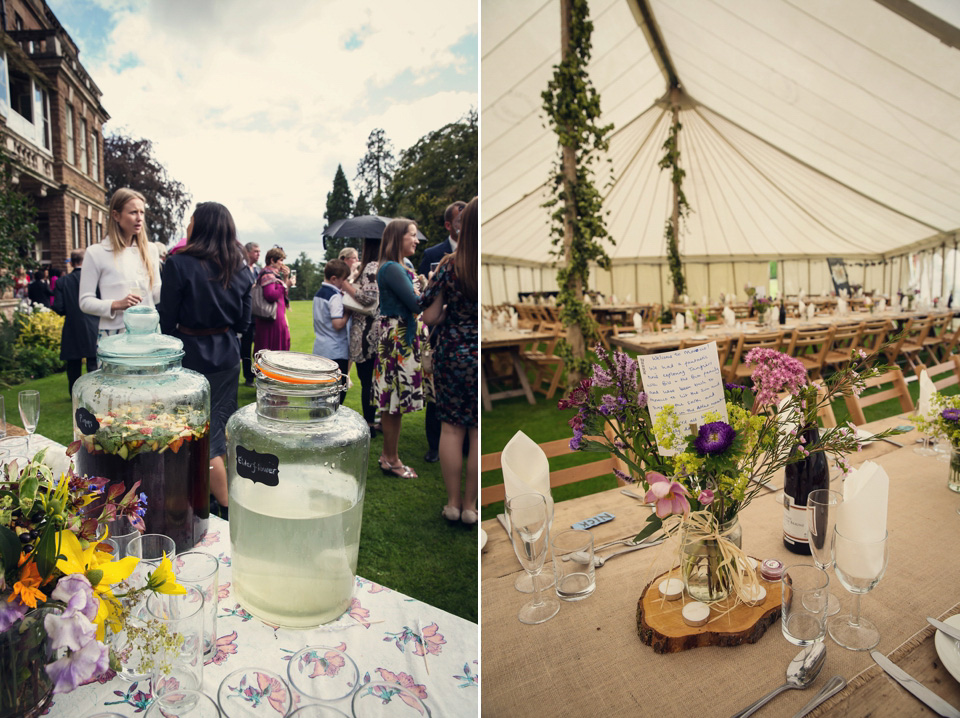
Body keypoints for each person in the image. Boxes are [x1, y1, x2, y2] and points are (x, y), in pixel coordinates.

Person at [159, 202, 252, 514]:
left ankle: (225, 505)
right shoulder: (239, 267)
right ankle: (211, 493)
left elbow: (167, 319)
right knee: (218, 428)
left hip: (190, 356)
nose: (187, 225)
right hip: (226, 355)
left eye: (191, 220)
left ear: (200, 226)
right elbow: (243, 323)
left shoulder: (178, 263)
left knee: (196, 431)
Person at [420, 197, 479, 524]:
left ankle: (453, 503)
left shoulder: (447, 265)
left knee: (452, 429)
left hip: (452, 350)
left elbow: (428, 315)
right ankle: (471, 507)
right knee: (476, 431)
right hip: (477, 352)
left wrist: (445, 314)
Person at [375, 219, 425, 479]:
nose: (416, 240)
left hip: (399, 337)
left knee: (393, 402)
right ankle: (391, 459)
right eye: (412, 235)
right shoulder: (393, 268)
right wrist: (436, 284)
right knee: (393, 403)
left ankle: (389, 455)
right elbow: (417, 304)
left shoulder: (399, 266)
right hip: (398, 340)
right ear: (398, 238)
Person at [79, 188, 161, 339]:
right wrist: (116, 304)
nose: (139, 218)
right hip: (114, 333)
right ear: (116, 215)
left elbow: (155, 294)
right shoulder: (96, 252)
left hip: (149, 332)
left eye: (142, 212)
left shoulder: (151, 250)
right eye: (133, 212)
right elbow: (85, 302)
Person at [418, 200, 465, 463]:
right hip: (440, 334)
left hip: (463, 335)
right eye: (459, 221)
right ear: (449, 225)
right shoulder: (435, 254)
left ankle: (466, 447)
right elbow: (427, 298)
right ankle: (434, 445)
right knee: (436, 395)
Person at [52, 249, 99, 398]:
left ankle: (75, 394)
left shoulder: (62, 281)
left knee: (73, 364)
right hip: (93, 324)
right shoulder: (95, 280)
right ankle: (94, 393)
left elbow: (58, 307)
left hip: (72, 325)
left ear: (71, 263)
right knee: (93, 361)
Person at [348, 237, 381, 436]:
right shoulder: (383, 266)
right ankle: (377, 421)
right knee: (372, 380)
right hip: (374, 331)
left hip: (366, 332)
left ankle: (369, 424)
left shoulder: (371, 267)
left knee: (368, 381)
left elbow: (369, 300)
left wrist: (347, 286)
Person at [313, 259, 351, 403]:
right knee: (336, 393)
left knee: (320, 391)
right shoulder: (334, 296)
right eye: (344, 279)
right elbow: (337, 324)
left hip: (320, 347)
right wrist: (348, 313)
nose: (346, 283)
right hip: (336, 350)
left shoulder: (319, 293)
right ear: (334, 279)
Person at [254, 246, 294, 353]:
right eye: (281, 260)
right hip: (271, 320)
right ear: (272, 260)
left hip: (275, 318)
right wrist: (286, 284)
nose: (282, 263)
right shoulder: (268, 274)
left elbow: (282, 296)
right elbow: (271, 295)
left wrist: (285, 278)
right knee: (272, 350)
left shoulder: (274, 275)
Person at [239, 242, 261, 386]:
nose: (258, 254)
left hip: (258, 315)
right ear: (247, 252)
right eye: (255, 251)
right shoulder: (241, 269)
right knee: (246, 348)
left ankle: (259, 374)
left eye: (259, 251)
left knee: (258, 348)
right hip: (245, 314)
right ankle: (248, 377)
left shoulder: (258, 270)